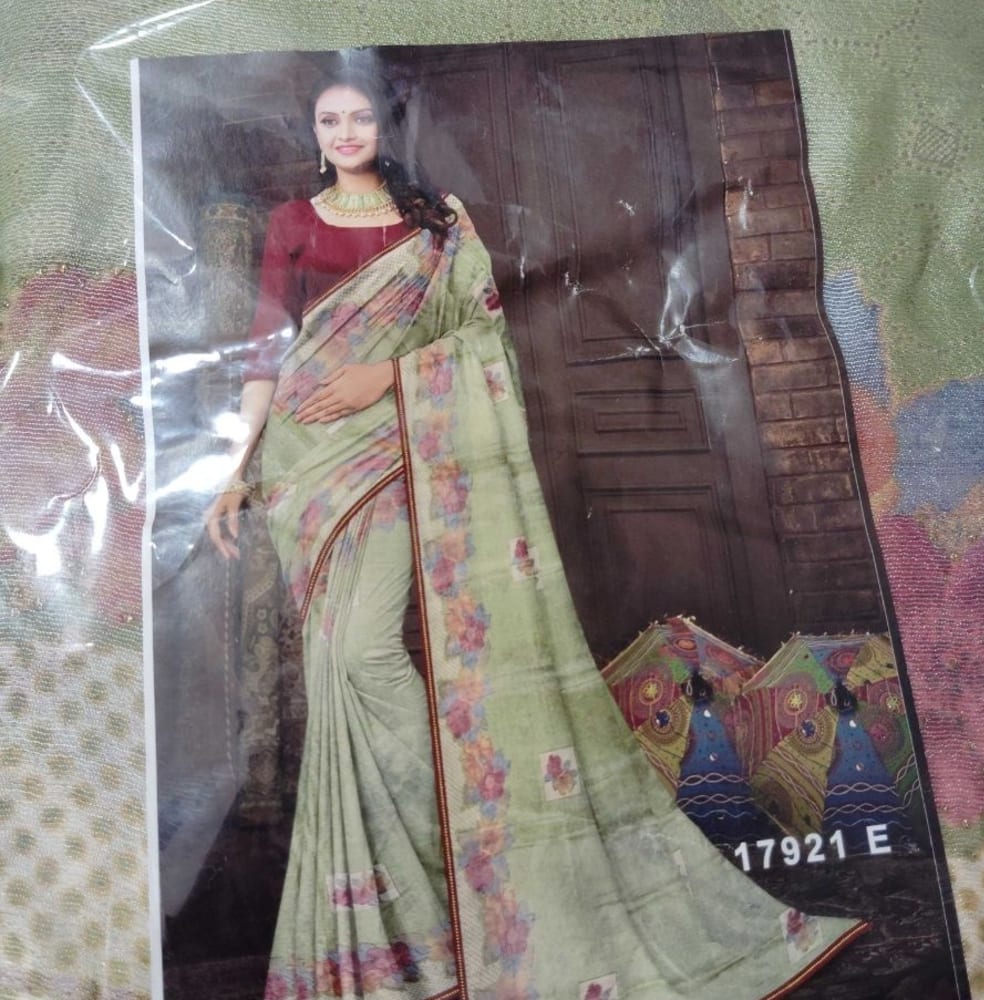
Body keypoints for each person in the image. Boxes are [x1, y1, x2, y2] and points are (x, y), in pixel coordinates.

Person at [205, 66, 867, 1000]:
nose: (345, 132)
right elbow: (265, 351)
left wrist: (385, 380)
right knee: (333, 667)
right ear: (313, 134)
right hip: (306, 466)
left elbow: (483, 343)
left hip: (402, 448)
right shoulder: (291, 223)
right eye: (329, 120)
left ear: (384, 129)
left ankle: (491, 836)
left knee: (361, 656)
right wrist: (235, 469)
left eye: (360, 117)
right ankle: (431, 902)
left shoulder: (440, 225)